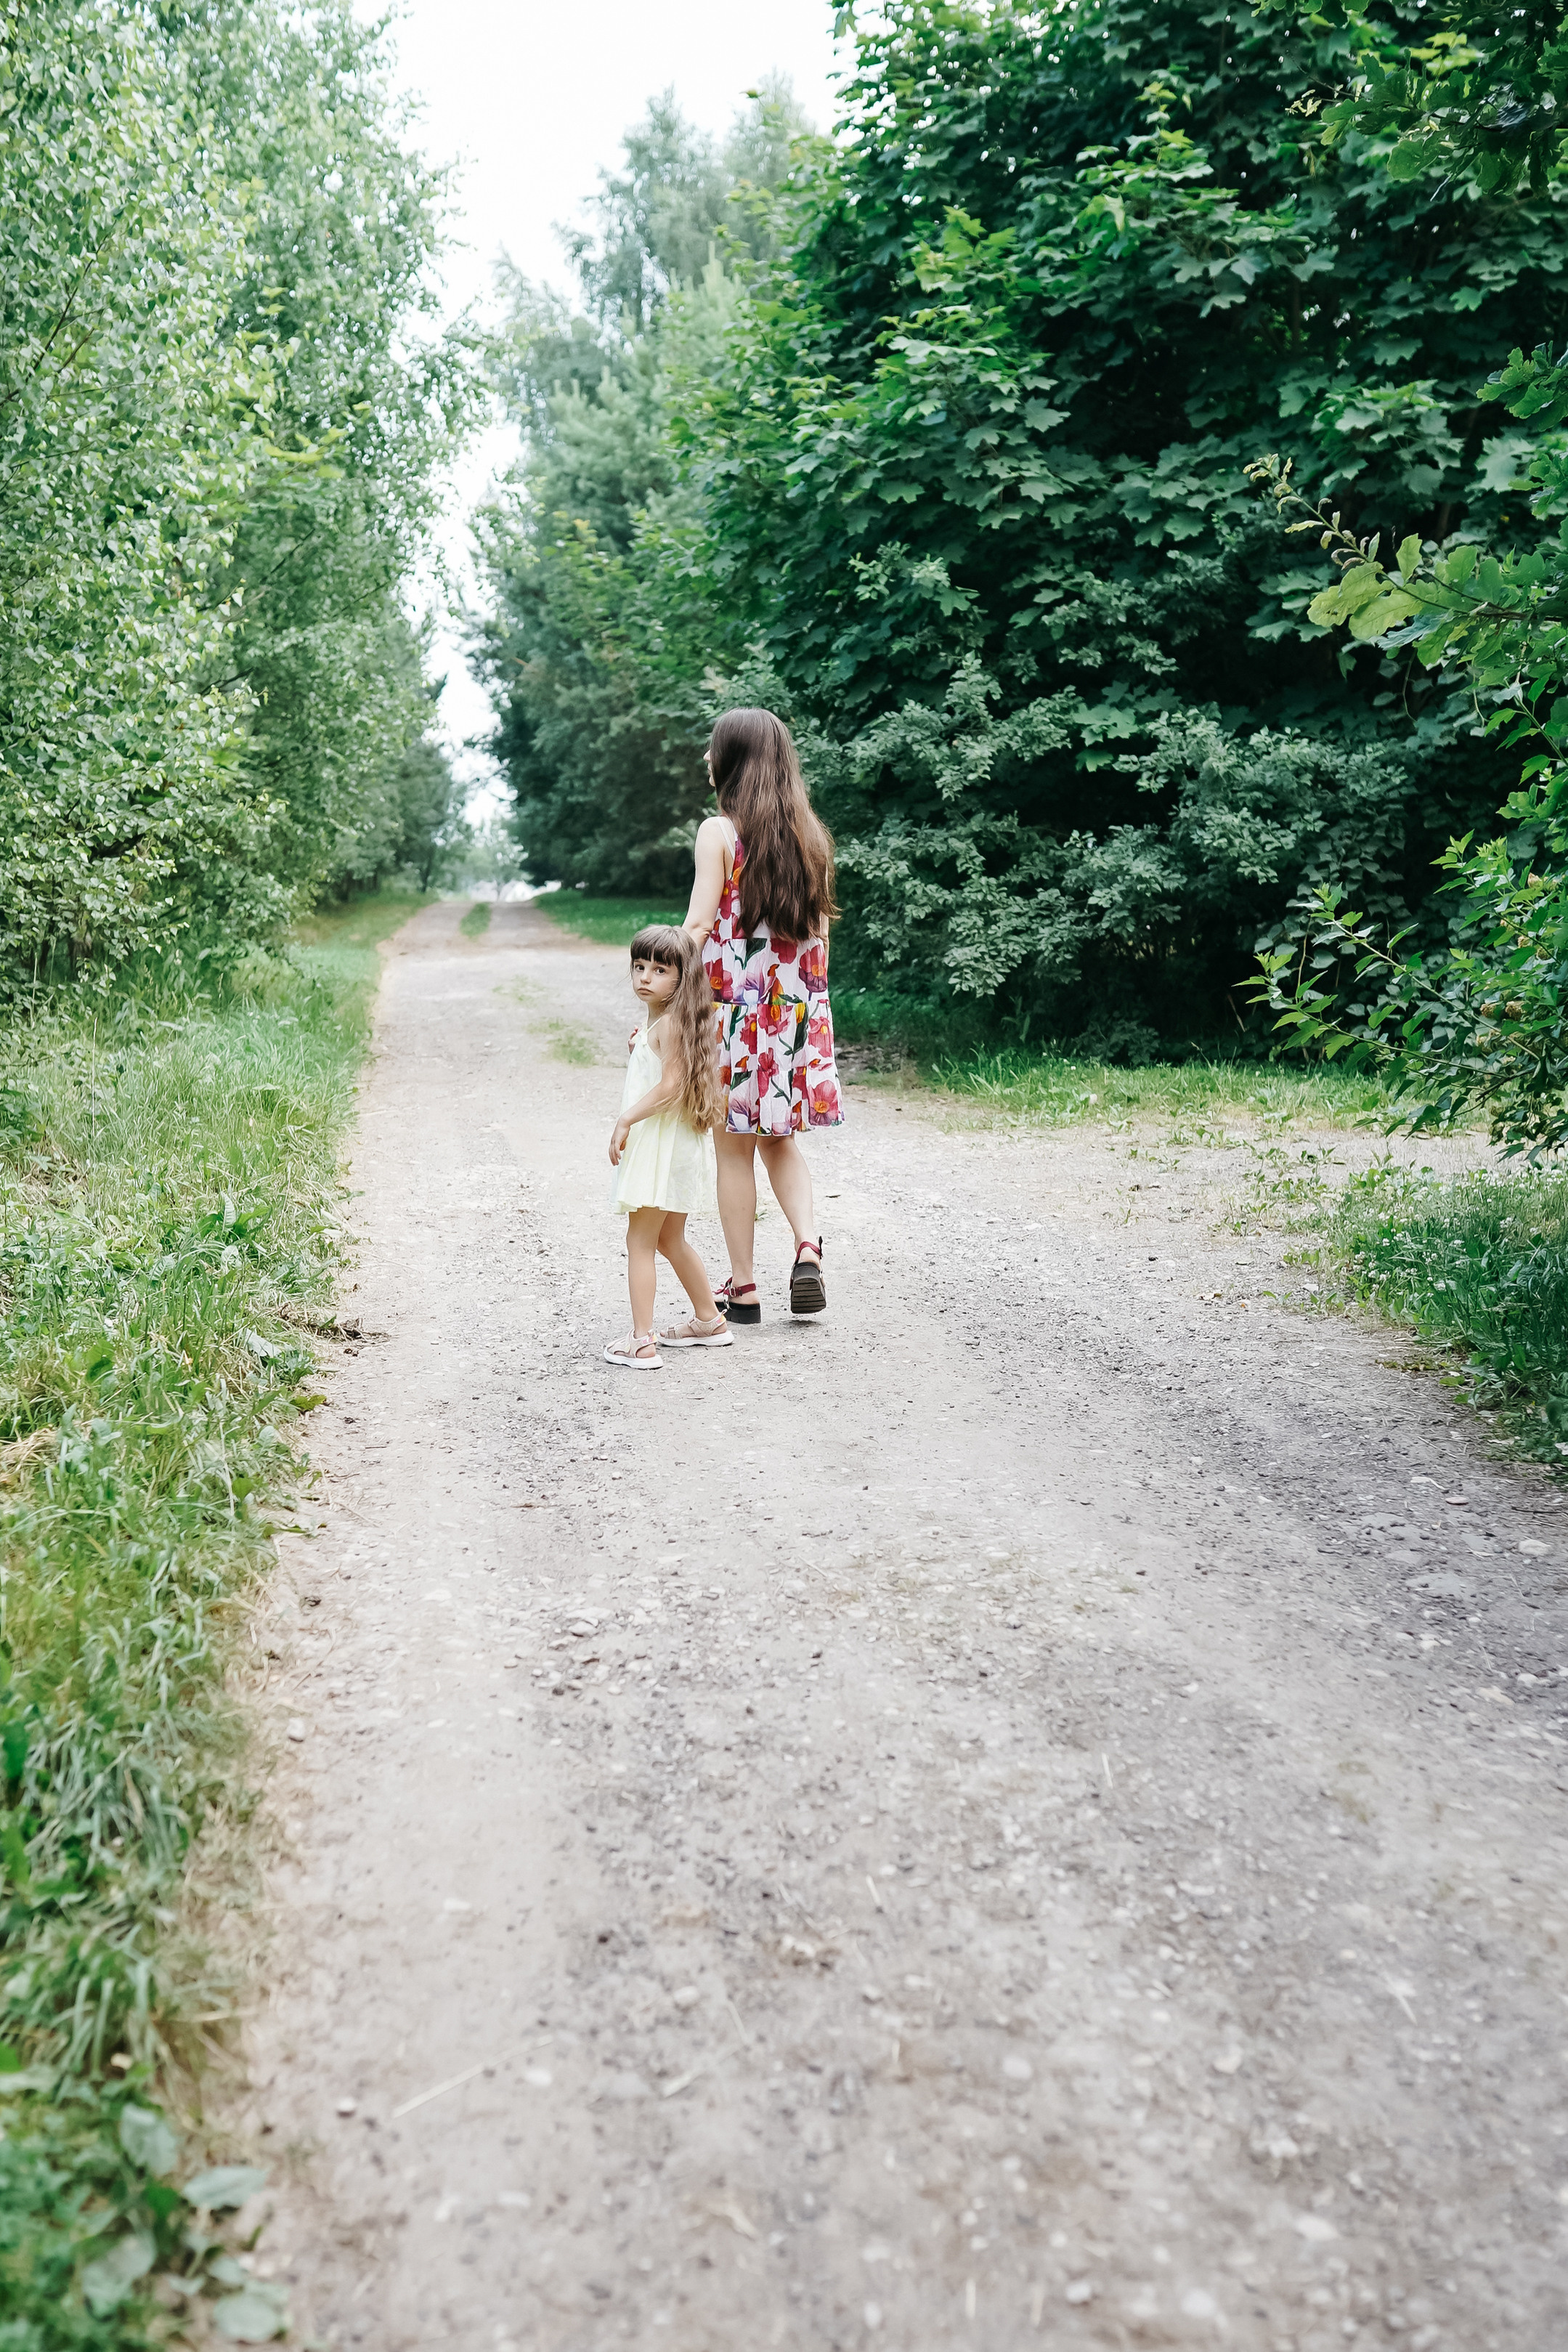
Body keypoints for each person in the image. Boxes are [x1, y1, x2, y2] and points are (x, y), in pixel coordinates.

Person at [684, 706, 842, 1323]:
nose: (705, 758)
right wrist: (808, 1021)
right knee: (782, 1143)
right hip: (795, 1017)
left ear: (735, 761)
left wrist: (664, 997)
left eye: (712, 748)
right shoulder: (811, 838)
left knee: (733, 1153)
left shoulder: (718, 833)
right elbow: (820, 945)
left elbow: (699, 925)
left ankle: (743, 1286)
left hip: (732, 1016)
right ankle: (807, 1246)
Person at [605, 926, 733, 1368]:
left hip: (658, 1145)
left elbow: (671, 1085)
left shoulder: (672, 1024)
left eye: (660, 970)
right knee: (670, 1237)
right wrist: (640, 1045)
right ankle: (709, 1320)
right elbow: (661, 1066)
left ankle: (641, 1341)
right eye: (640, 967)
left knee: (639, 1242)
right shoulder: (665, 1020)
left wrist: (626, 1119)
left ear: (682, 978)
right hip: (676, 1145)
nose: (645, 977)